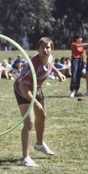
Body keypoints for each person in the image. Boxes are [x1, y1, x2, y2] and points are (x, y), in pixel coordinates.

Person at [14, 37, 66, 167]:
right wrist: (35, 103)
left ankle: (39, 144)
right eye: (42, 47)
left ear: (51, 49)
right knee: (29, 122)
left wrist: (58, 73)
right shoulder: (30, 65)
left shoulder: (50, 58)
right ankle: (25, 158)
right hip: (23, 90)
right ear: (38, 49)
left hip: (36, 88)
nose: (45, 49)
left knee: (42, 116)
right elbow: (22, 86)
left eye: (48, 47)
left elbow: (50, 65)